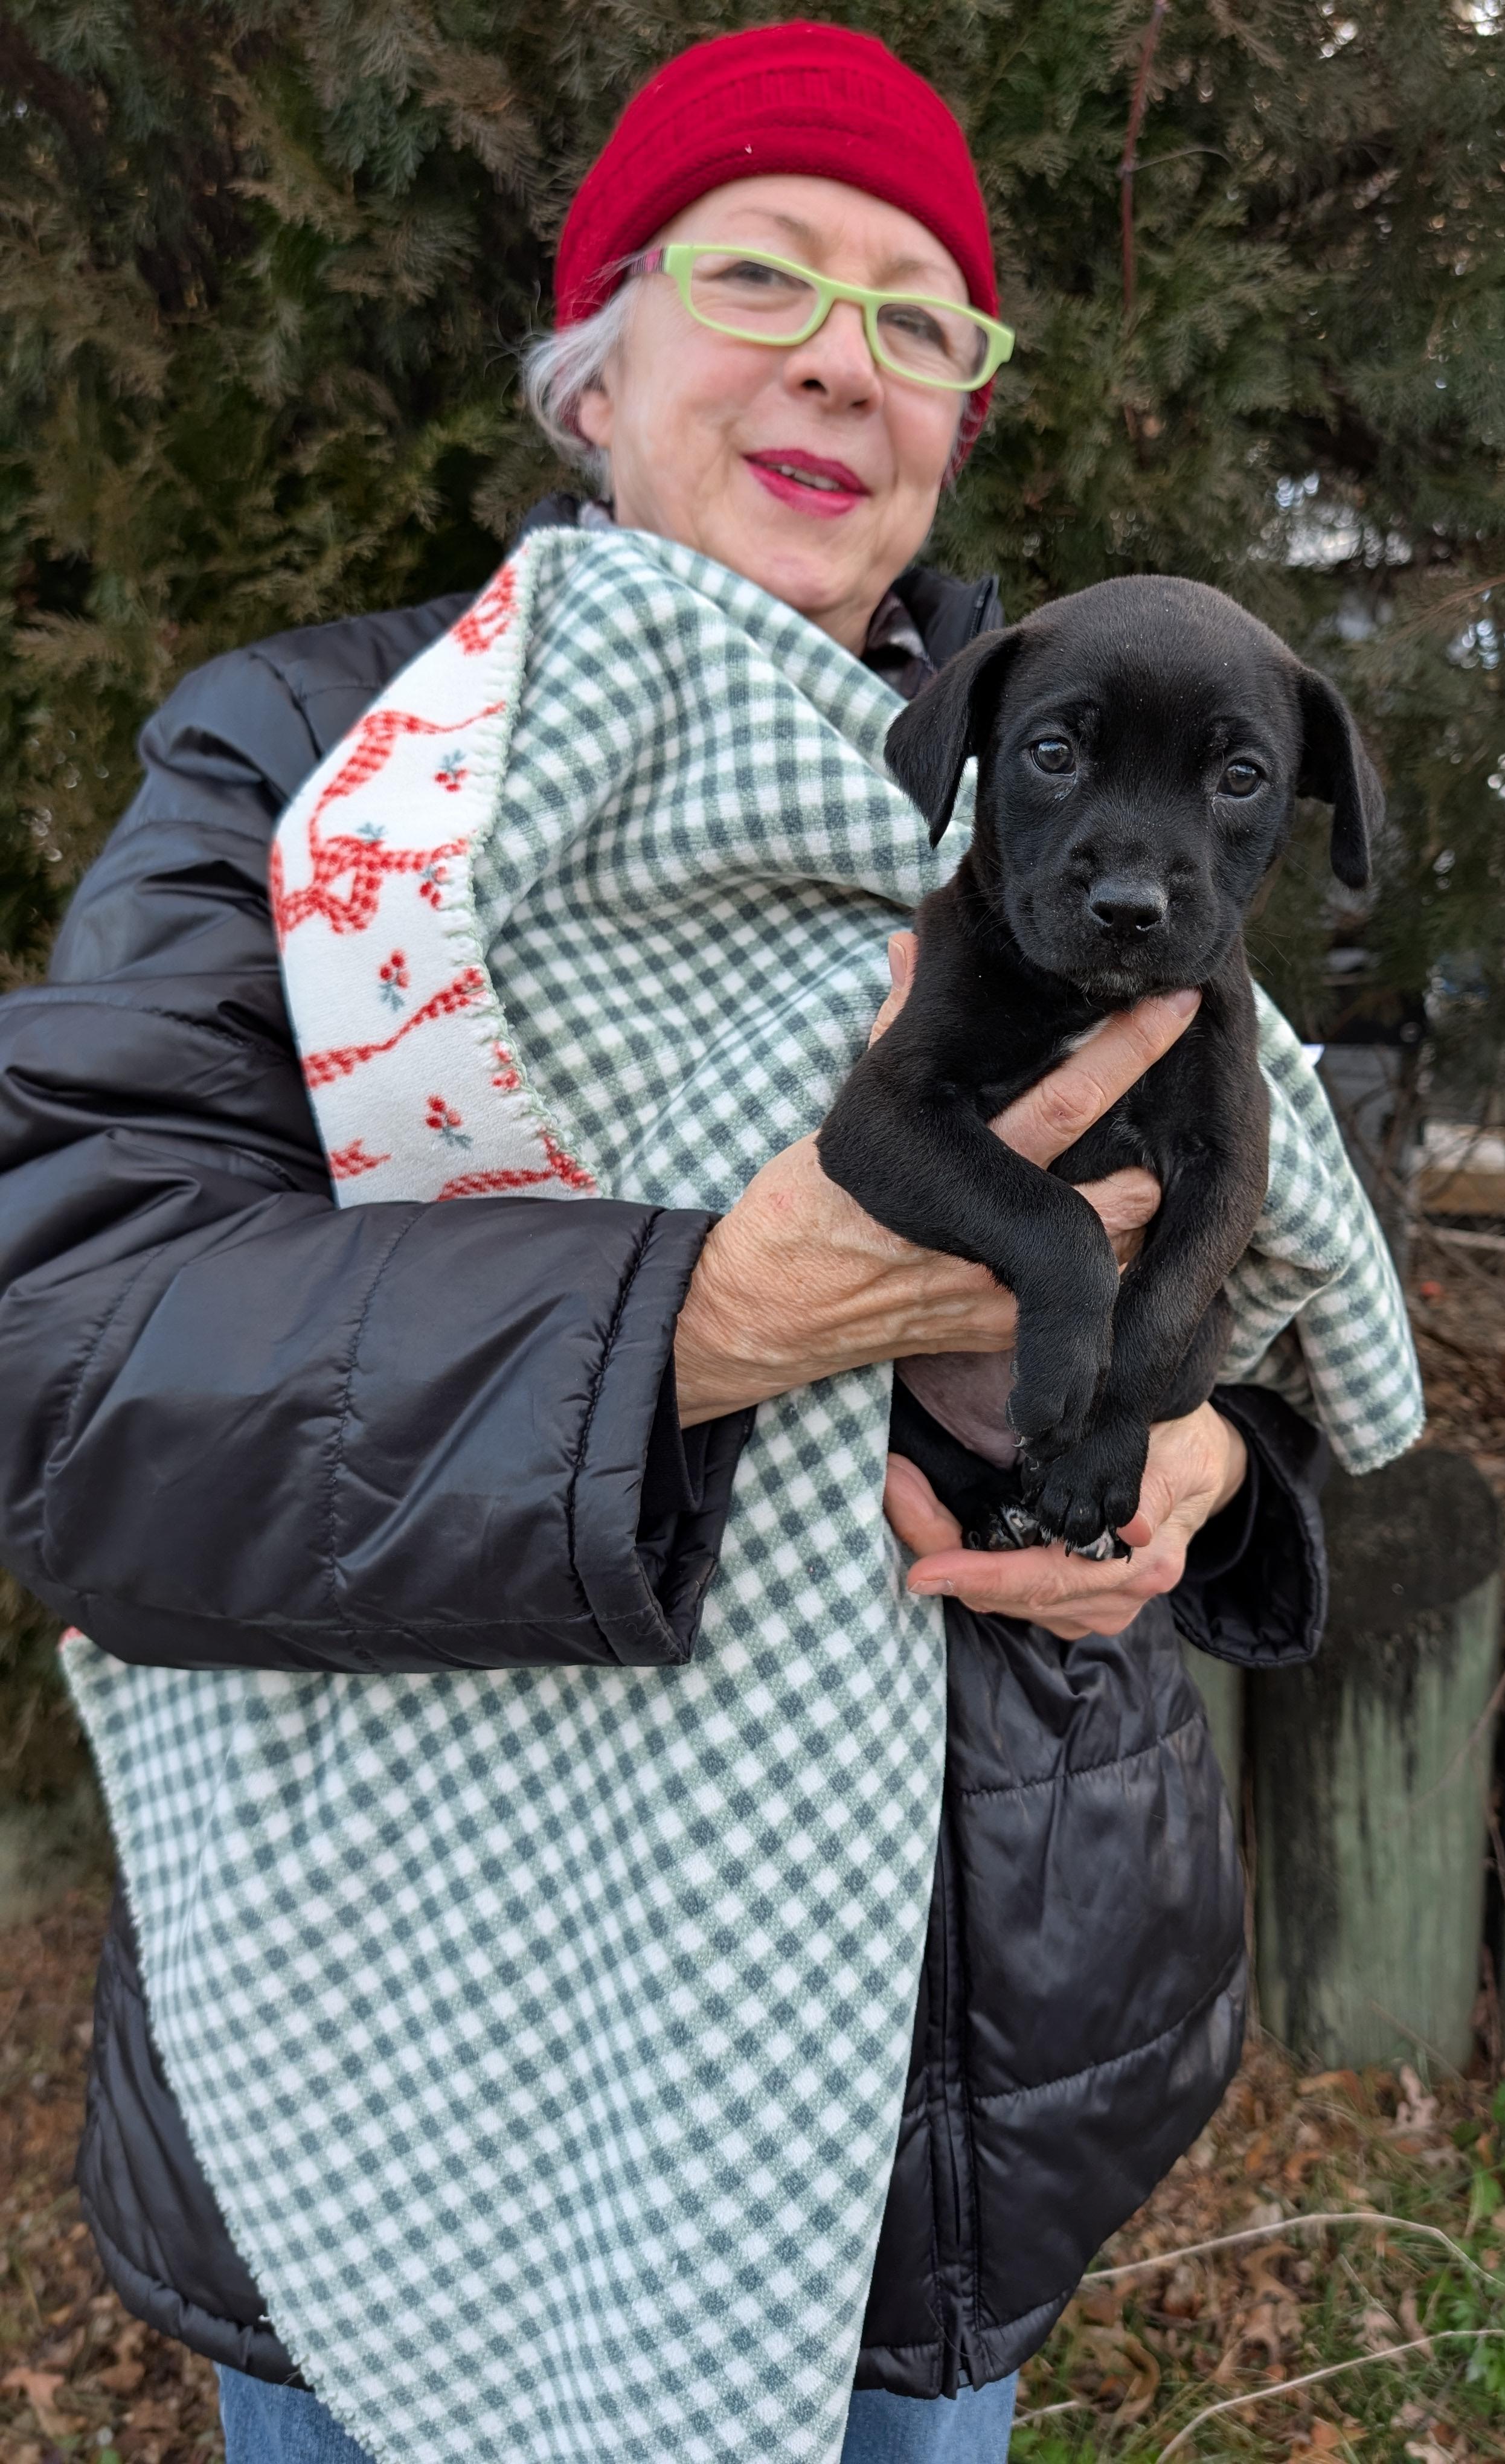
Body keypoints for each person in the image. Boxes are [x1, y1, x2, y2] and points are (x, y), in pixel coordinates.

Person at [0, 25, 1408, 2464]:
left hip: (934, 2126)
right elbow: (72, 1366)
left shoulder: (1056, 786)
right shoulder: (334, 774)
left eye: (920, 317)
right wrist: (704, 1321)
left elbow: (1250, 1292)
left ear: (966, 415)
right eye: (758, 271)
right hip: (414, 2063)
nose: (840, 358)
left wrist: (1200, 1462)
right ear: (595, 361)